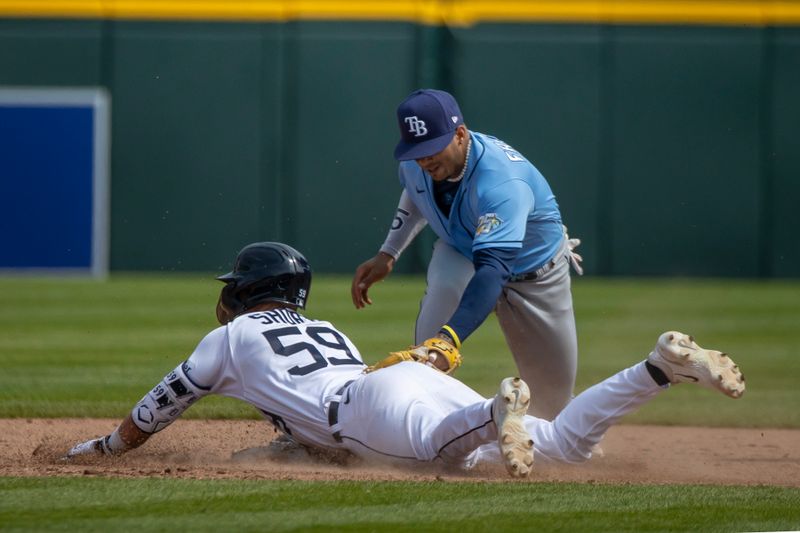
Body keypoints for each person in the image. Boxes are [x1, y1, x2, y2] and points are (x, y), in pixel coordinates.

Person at [66, 242, 745, 478]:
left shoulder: (232, 339)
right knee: (561, 445)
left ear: (244, 292)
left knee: (438, 455)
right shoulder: (324, 325)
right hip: (400, 378)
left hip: (368, 408)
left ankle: (493, 411)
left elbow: (163, 402)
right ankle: (656, 367)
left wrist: (105, 445)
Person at [351, 88, 584, 420]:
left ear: (460, 134)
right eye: (416, 150)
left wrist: (450, 339)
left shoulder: (502, 182)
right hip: (462, 251)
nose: (424, 159)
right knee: (443, 293)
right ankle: (415, 415)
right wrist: (388, 252)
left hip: (536, 274)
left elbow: (492, 270)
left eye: (432, 148)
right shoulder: (417, 165)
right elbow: (415, 193)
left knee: (553, 406)